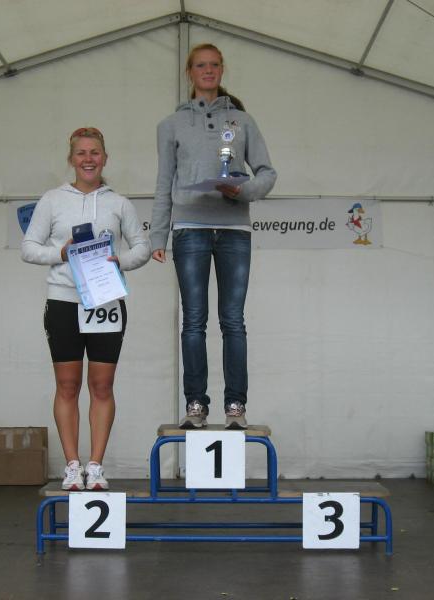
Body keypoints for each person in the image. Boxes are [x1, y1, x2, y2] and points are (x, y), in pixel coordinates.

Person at [150, 43, 277, 430]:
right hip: (189, 229)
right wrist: (158, 236)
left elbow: (267, 172)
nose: (208, 71)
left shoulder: (242, 120)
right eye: (201, 65)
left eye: (214, 65)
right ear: (189, 72)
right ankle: (195, 405)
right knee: (193, 321)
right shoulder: (171, 124)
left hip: (234, 229)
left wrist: (242, 190)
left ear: (222, 70)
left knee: (233, 321)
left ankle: (235, 406)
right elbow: (163, 183)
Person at [22, 127, 150, 491]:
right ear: (71, 159)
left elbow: (142, 247)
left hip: (105, 300)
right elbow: (29, 248)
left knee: (102, 386)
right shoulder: (52, 200)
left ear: (105, 158)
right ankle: (72, 466)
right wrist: (60, 253)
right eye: (81, 153)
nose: (88, 159)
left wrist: (120, 261)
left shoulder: (119, 203)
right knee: (67, 385)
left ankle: (95, 466)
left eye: (95, 152)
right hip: (63, 300)